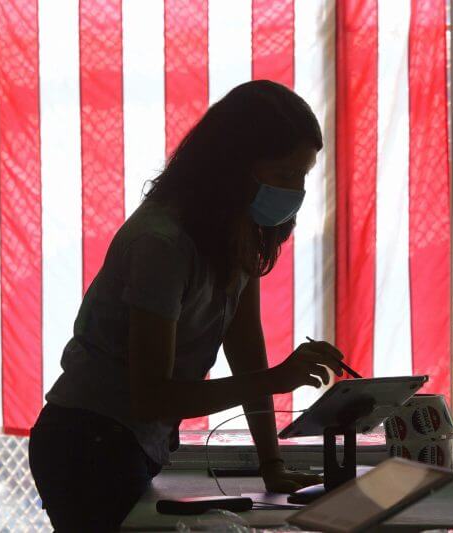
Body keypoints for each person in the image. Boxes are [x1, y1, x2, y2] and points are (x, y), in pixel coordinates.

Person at [29, 80, 346, 532]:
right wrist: (276, 380)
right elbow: (152, 395)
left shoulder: (238, 230)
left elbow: (245, 347)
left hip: (126, 444)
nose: (296, 192)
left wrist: (271, 461)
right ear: (235, 168)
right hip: (86, 445)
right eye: (283, 176)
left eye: (303, 176)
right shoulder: (163, 243)